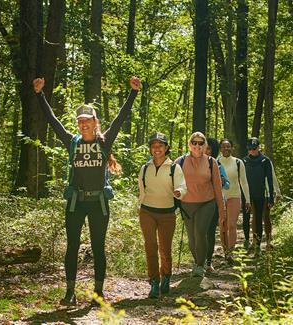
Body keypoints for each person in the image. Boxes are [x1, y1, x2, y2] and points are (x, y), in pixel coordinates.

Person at [33, 76, 140, 305]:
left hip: (98, 202)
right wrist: (40, 94)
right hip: (76, 202)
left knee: (98, 248)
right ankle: (70, 293)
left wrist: (133, 93)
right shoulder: (72, 141)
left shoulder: (104, 142)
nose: (83, 125)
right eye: (80, 121)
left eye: (87, 121)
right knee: (71, 247)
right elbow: (52, 121)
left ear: (95, 122)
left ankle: (98, 293)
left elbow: (121, 118)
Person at [137, 132, 187, 298]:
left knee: (165, 249)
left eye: (160, 145)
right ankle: (154, 282)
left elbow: (182, 186)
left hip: (167, 213)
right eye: (153, 146)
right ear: (150, 149)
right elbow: (142, 191)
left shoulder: (174, 167)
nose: (157, 149)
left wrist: (179, 192)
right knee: (150, 246)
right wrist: (140, 207)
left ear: (166, 148)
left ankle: (166, 276)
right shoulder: (145, 168)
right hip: (147, 212)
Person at [176, 132, 225, 277]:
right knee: (191, 238)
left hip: (207, 203)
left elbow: (217, 187)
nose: (197, 146)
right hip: (187, 204)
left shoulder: (211, 162)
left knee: (200, 232)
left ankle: (199, 266)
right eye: (194, 142)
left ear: (205, 146)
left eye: (201, 143)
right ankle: (198, 261)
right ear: (190, 144)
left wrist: (222, 212)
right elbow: (172, 182)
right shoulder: (180, 161)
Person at [217, 139, 251, 262]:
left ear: (232, 148)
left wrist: (247, 199)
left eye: (228, 146)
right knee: (222, 225)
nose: (226, 149)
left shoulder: (238, 162)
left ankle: (231, 252)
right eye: (223, 147)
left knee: (231, 225)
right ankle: (225, 251)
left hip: (234, 196)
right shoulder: (216, 162)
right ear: (220, 148)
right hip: (220, 198)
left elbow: (244, 181)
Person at [242, 137, 275, 255]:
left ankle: (258, 247)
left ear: (259, 147)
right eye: (250, 149)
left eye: (254, 148)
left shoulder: (265, 161)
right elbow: (242, 179)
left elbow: (270, 180)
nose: (252, 151)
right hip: (248, 195)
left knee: (260, 218)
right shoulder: (244, 161)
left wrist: (271, 197)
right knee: (250, 218)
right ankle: (250, 241)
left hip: (261, 194)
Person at [204, 137, 230, 272]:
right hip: (198, 203)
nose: (206, 151)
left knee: (210, 232)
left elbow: (227, 185)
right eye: (205, 148)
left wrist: (222, 180)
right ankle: (199, 261)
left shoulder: (218, 166)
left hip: (214, 202)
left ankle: (208, 262)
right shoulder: (195, 164)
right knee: (199, 233)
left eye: (209, 148)